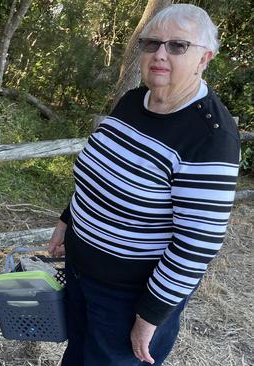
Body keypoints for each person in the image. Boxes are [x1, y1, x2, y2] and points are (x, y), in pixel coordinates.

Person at [47, 4, 240, 366]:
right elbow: (100, 173)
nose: (160, 55)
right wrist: (67, 220)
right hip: (80, 272)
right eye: (151, 44)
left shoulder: (211, 136)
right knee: (76, 356)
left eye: (177, 46)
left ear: (205, 58)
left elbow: (197, 243)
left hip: (129, 298)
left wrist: (150, 315)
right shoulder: (135, 100)